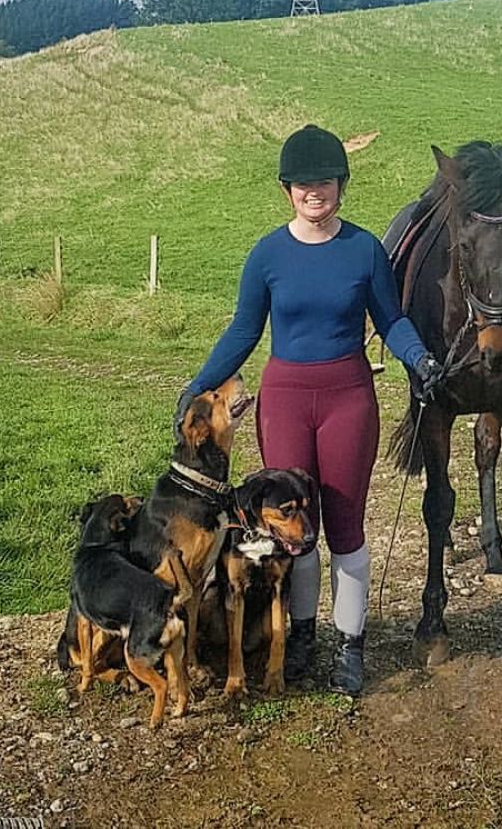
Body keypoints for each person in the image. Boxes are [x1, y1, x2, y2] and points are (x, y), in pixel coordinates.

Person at [174, 124, 443, 695]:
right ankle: (299, 635)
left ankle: (350, 643)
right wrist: (200, 383)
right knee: (292, 533)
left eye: (324, 181)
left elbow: (391, 319)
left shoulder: (365, 249)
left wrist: (419, 360)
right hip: (285, 402)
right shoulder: (267, 255)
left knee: (344, 527)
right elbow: (246, 329)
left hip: (348, 400)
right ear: (286, 190)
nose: (313, 191)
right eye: (302, 183)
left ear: (341, 185)